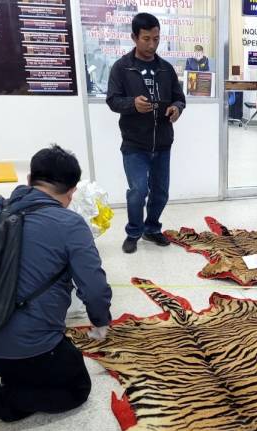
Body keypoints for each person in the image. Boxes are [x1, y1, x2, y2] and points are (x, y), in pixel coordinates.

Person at [0, 145, 113, 431]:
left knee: (29, 364)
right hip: (20, 345)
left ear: (29, 179)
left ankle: (17, 374)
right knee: (76, 387)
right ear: (72, 191)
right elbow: (93, 287)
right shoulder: (69, 224)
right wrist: (101, 321)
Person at [106, 12, 186, 254]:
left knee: (161, 192)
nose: (152, 44)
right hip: (134, 144)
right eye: (146, 39)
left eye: (156, 39)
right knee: (138, 191)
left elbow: (179, 98)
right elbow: (112, 100)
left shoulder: (166, 69)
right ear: (134, 37)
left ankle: (152, 229)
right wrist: (133, 104)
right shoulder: (122, 68)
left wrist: (176, 109)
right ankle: (133, 232)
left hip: (162, 143)